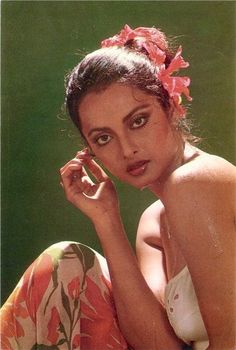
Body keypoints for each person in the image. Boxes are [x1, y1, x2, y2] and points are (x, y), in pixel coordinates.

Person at [0, 24, 235, 350]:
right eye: (103, 138)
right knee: (66, 261)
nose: (126, 149)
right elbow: (157, 347)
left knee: (65, 263)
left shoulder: (197, 182)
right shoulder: (153, 224)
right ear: (89, 150)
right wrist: (106, 220)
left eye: (137, 121)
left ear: (170, 105)